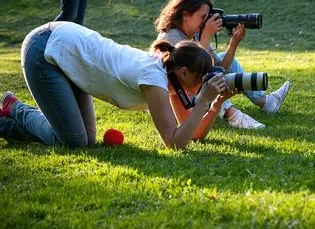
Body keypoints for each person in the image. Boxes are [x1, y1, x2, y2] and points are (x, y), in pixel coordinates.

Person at [0, 21, 233, 149]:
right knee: (74, 141)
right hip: (45, 50)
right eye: (199, 79)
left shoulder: (171, 77)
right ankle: (13, 107)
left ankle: (4, 124)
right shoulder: (154, 78)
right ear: (183, 72)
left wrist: (212, 105)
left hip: (71, 51)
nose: (201, 84)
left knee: (86, 140)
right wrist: (203, 100)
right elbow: (173, 142)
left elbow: (190, 133)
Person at [155, 0, 291, 129]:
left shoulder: (194, 34)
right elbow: (202, 73)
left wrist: (233, 44)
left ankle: (266, 102)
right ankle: (232, 115)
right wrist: (206, 36)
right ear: (186, 14)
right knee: (210, 80)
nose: (205, 21)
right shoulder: (172, 38)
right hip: (179, 99)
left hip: (193, 90)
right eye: (202, 17)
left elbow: (219, 67)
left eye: (207, 16)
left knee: (221, 58)